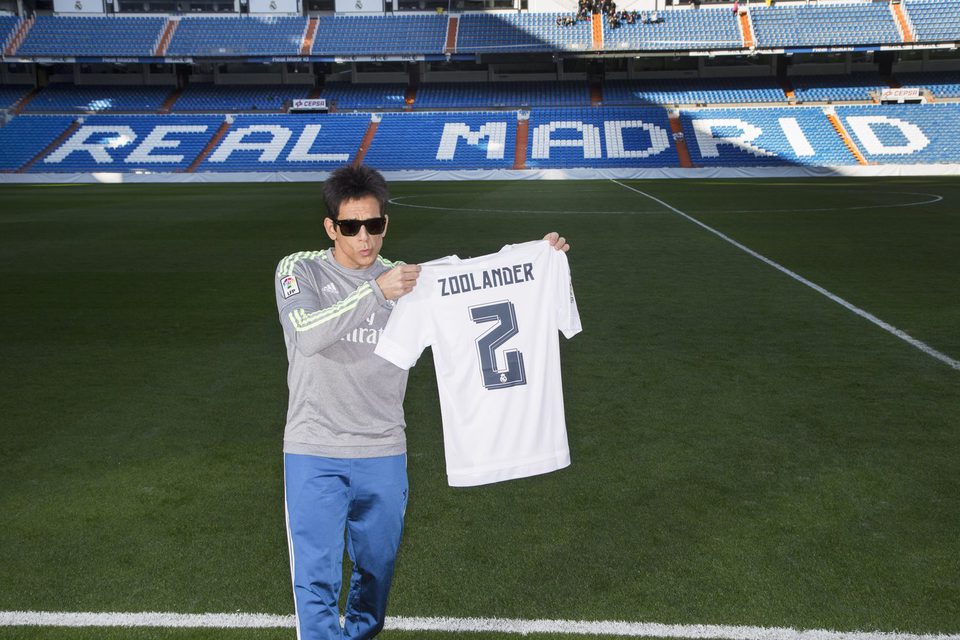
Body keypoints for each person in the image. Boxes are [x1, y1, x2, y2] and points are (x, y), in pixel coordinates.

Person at [274, 164, 569, 640]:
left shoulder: (411, 281)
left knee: (377, 572)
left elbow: (482, 287)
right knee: (315, 578)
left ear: (386, 222)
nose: (365, 237)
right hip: (314, 449)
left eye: (375, 224)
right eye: (351, 227)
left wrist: (540, 261)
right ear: (331, 227)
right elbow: (306, 334)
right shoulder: (300, 268)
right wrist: (375, 292)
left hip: (383, 449)